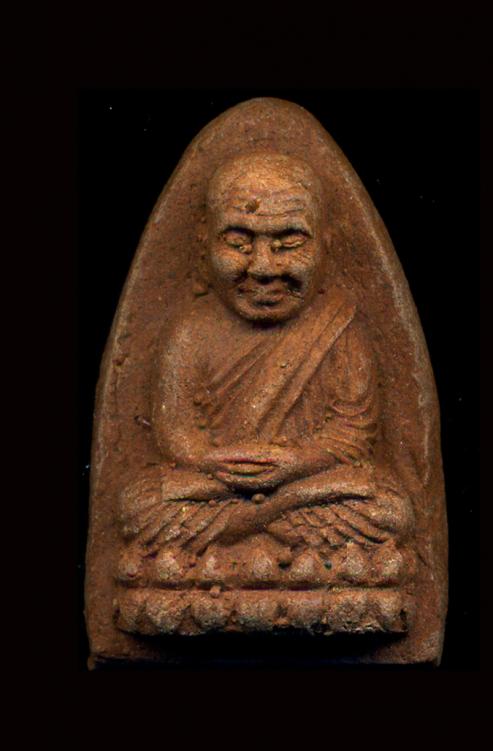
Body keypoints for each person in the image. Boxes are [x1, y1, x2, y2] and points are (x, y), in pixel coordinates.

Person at [118, 152, 413, 586]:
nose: (262, 268)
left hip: (305, 482)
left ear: (325, 246)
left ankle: (234, 543)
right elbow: (175, 431)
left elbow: (352, 431)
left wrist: (296, 464)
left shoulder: (340, 327)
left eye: (288, 244)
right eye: (239, 243)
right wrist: (214, 463)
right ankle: (288, 543)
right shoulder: (190, 333)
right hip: (222, 484)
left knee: (388, 509)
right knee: (139, 507)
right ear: (204, 246)